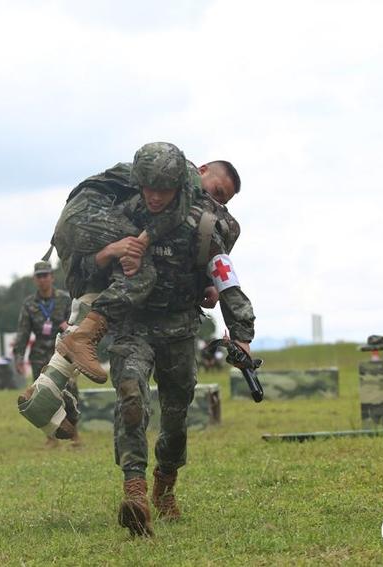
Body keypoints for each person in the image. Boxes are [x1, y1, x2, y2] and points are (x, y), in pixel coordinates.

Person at [17, 143, 245, 441]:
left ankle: (46, 391)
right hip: (86, 227)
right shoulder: (174, 186)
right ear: (200, 171)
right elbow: (164, 228)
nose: (213, 201)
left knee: (97, 298)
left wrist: (205, 281)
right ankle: (79, 342)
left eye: (221, 200)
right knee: (140, 275)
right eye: (214, 191)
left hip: (77, 232)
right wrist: (130, 245)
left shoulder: (157, 198)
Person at [107, 148, 256, 537]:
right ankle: (134, 489)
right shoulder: (126, 209)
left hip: (179, 329)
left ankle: (165, 486)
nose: (156, 195)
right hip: (133, 324)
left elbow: (225, 278)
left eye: (164, 188)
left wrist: (242, 333)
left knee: (175, 419)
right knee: (131, 397)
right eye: (150, 187)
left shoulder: (204, 226)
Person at [13, 260, 80, 447]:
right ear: (35, 279)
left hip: (63, 353)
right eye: (39, 276)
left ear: (52, 277)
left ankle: (74, 434)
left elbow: (77, 324)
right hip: (40, 354)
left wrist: (70, 327)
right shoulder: (29, 304)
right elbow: (23, 332)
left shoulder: (65, 300)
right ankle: (51, 437)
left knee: (71, 393)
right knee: (42, 396)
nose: (43, 279)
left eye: (46, 275)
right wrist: (19, 356)